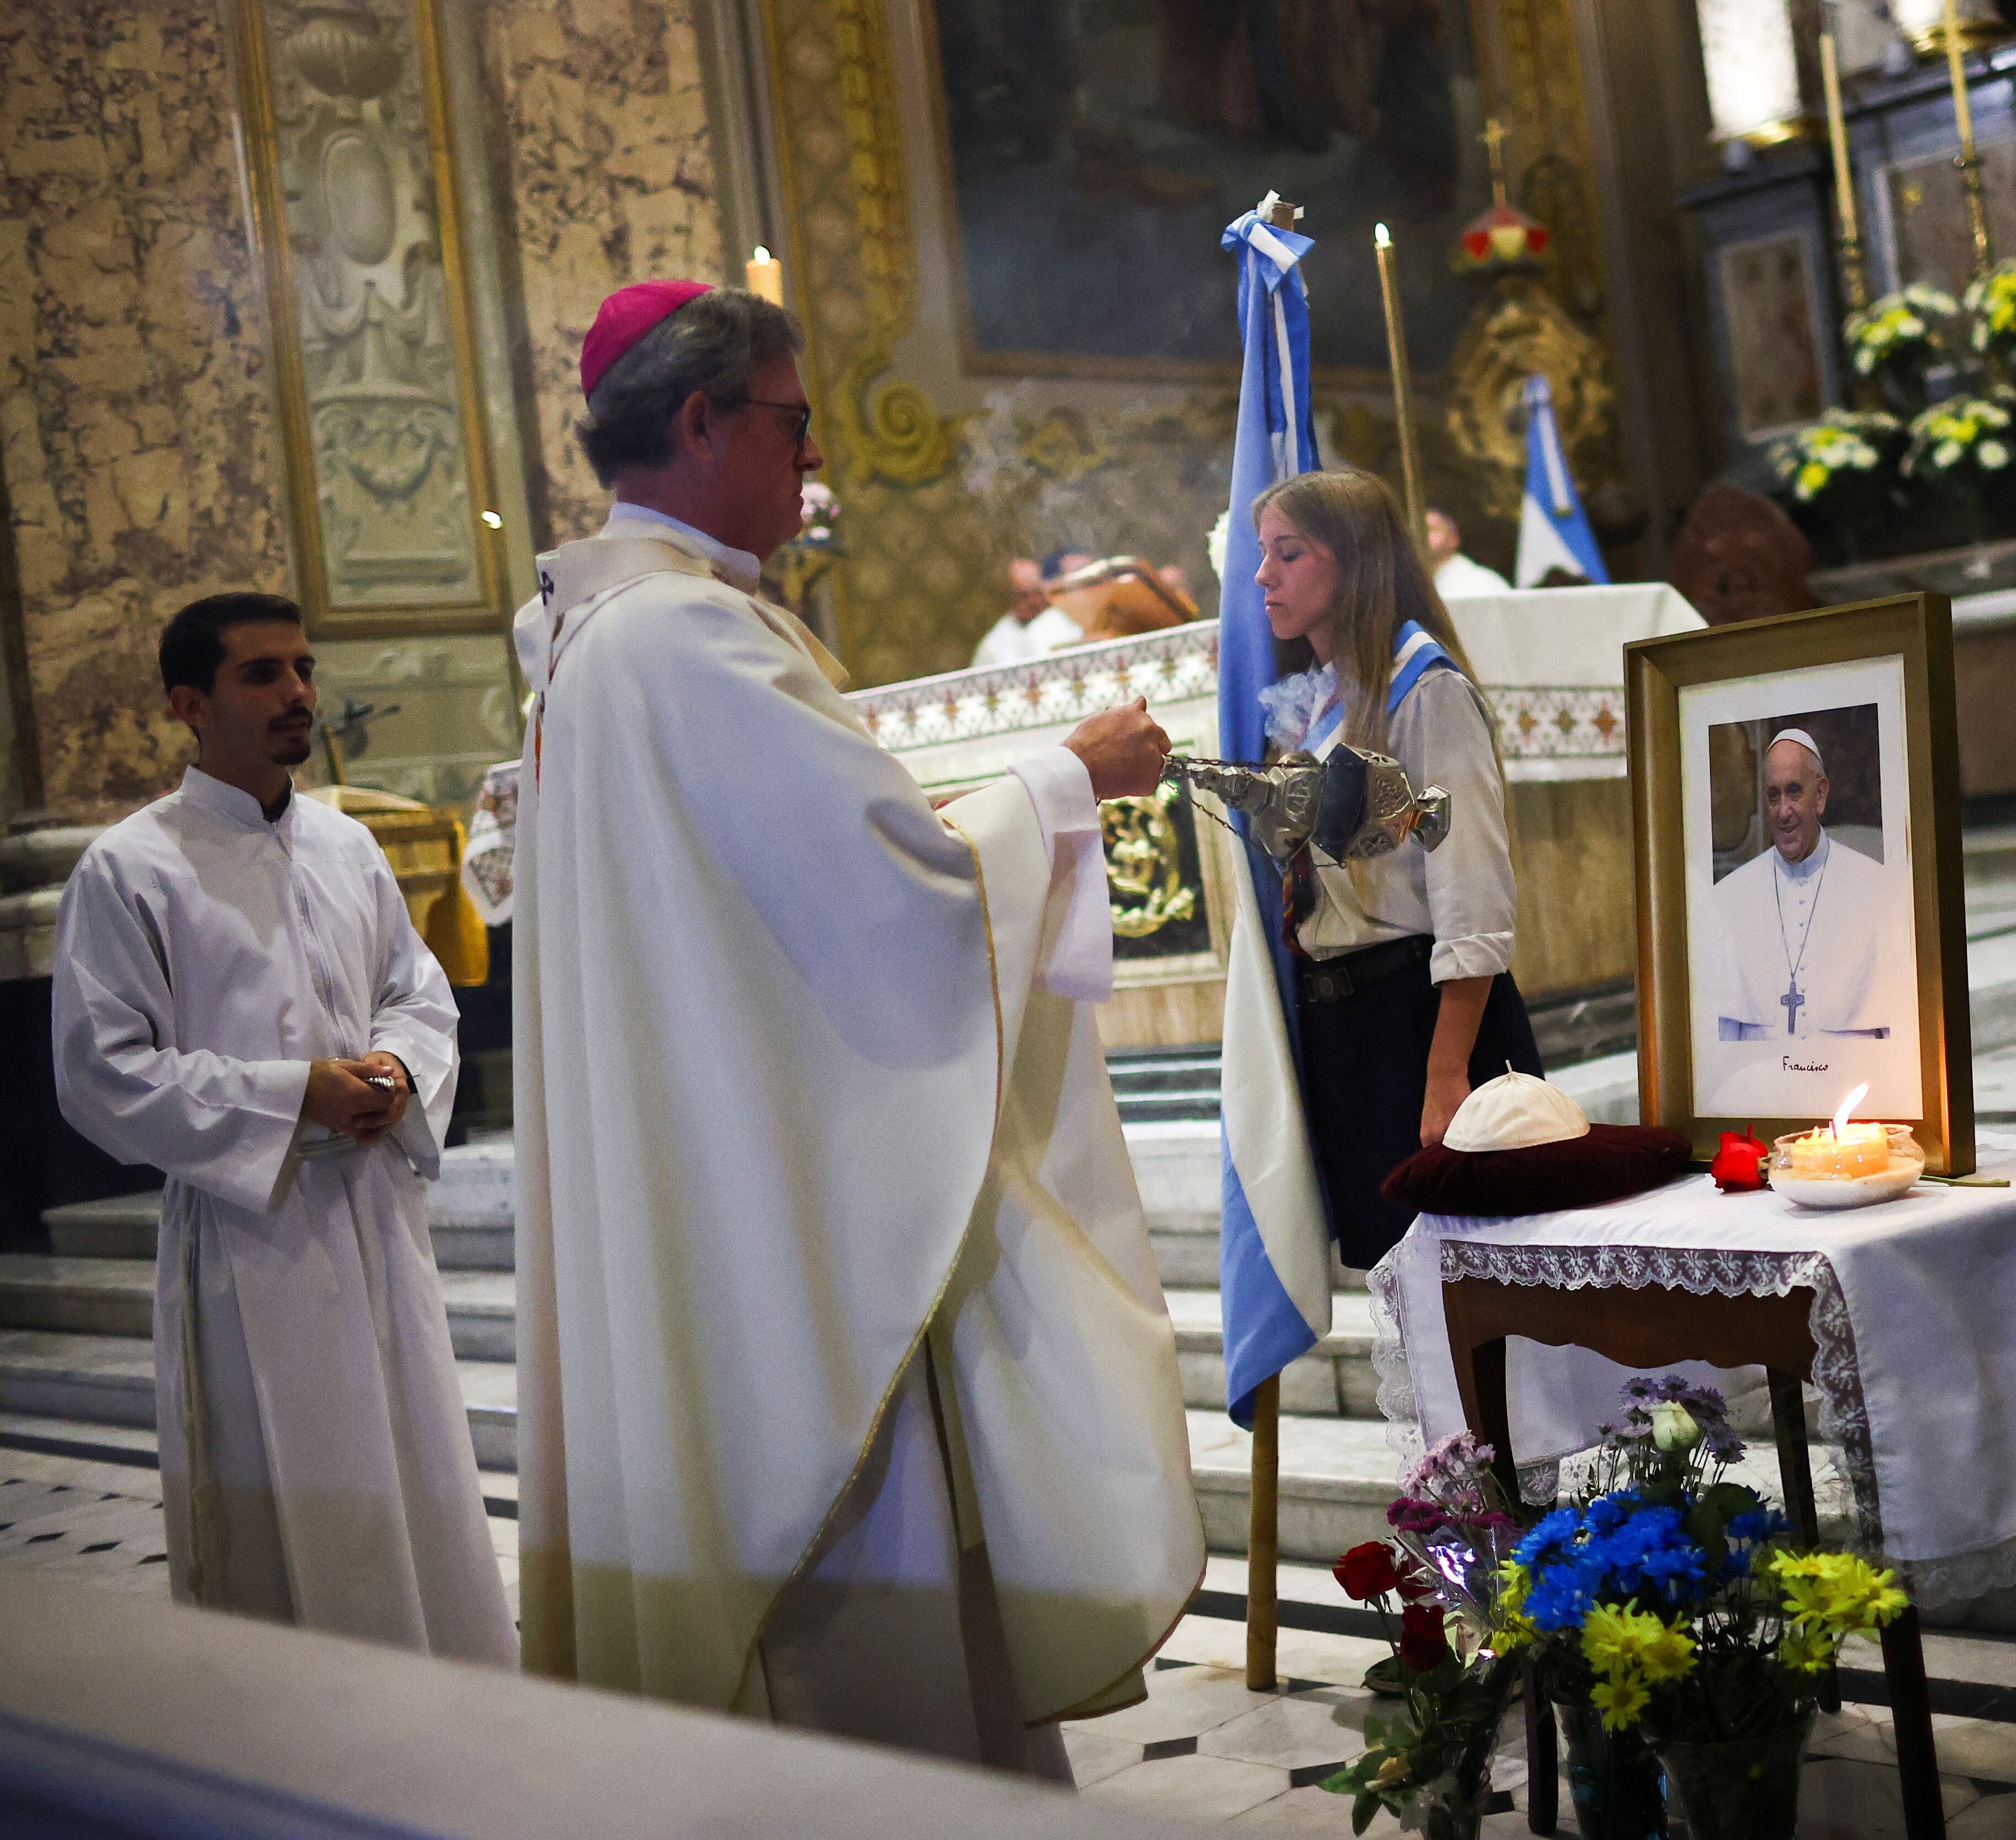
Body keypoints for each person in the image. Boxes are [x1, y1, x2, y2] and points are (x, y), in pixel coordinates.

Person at [510, 280, 1202, 1773]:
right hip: (793, 1242)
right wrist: (1070, 777)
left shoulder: (595, 641)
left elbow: (800, 894)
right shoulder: (691, 637)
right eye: (792, 423)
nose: (809, 464)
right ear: (699, 421)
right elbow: (909, 905)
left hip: (718, 1179)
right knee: (872, 1691)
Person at [51, 593, 513, 1664]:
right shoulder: (131, 868)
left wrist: (396, 1065)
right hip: (253, 1231)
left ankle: (454, 1703)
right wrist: (289, 1090)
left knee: (417, 1463)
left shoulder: (348, 846)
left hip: (377, 1210)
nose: (299, 693)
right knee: (302, 1497)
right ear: (188, 703)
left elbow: (419, 990)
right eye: (262, 674)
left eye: (303, 668)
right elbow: (98, 1071)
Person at [1256, 470, 1538, 1269]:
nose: (1263, 576)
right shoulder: (1314, 702)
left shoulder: (1426, 691)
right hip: (1351, 1030)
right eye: (1262, 553)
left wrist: (1445, 1075)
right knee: (1401, 1286)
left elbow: (1472, 895)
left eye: (1288, 553)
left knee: (1478, 1286)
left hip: (1426, 1025)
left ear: (1353, 561)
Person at [1704, 728, 1900, 1043]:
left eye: (1795, 792)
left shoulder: (1876, 889)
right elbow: (1720, 1041)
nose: (1783, 811)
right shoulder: (1730, 899)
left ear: (1821, 795)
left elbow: (1897, 1035)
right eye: (1773, 795)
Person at [970, 552, 1086, 667]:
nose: (1033, 601)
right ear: (1010, 597)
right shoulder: (994, 645)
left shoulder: (1065, 621)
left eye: (1037, 592)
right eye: (1024, 595)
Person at [1424, 506, 1512, 599]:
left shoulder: (1483, 583)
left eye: (1431, 529)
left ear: (1453, 539)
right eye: (1420, 531)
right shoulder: (1419, 582)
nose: (1423, 537)